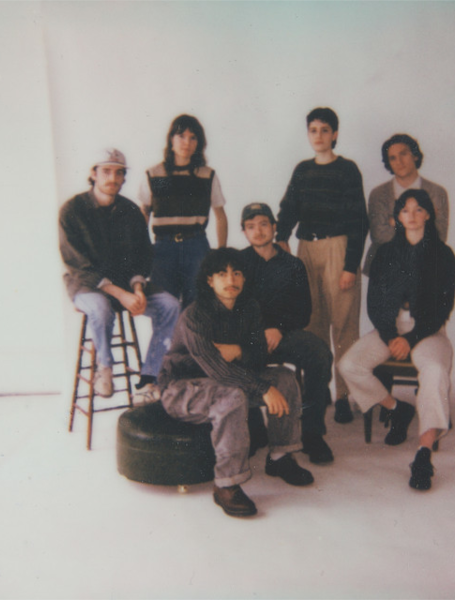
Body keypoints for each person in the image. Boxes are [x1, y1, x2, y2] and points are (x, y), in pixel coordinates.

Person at [157, 248, 314, 518]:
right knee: (232, 396)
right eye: (222, 274)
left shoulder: (249, 308)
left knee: (285, 378)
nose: (231, 279)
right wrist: (263, 388)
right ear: (210, 280)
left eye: (237, 273)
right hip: (182, 388)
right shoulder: (195, 315)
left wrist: (239, 351)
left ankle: (280, 457)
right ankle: (226, 484)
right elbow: (217, 369)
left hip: (229, 380)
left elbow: (260, 355)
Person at [339, 189, 455, 491]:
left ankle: (423, 453)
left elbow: (442, 308)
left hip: (428, 331)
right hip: (390, 328)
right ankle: (397, 408)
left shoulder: (443, 255)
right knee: (349, 364)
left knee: (434, 370)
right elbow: (375, 303)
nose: (412, 216)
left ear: (428, 214)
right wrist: (392, 336)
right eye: (406, 210)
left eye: (419, 210)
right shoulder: (384, 253)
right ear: (397, 218)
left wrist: (412, 338)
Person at [59, 148, 180, 403]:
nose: (112, 178)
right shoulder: (72, 209)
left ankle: (150, 377)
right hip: (86, 285)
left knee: (170, 305)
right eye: (106, 171)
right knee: (101, 308)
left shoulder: (131, 211)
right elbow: (78, 264)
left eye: (119, 173)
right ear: (93, 173)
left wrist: (137, 289)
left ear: (124, 177)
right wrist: (121, 294)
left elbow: (142, 256)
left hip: (126, 284)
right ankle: (104, 368)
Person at [275, 107, 369, 426]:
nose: (318, 136)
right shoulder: (302, 170)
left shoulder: (347, 170)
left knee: (343, 326)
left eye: (325, 130)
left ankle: (344, 395)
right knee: (311, 324)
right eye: (313, 130)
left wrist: (349, 266)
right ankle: (318, 392)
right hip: (307, 250)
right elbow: (288, 207)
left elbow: (359, 220)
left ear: (335, 134)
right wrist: (281, 237)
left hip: (338, 248)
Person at [240, 202, 334, 464]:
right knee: (234, 356)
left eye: (263, 224)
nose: (258, 231)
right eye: (251, 226)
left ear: (274, 227)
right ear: (244, 232)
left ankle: (312, 432)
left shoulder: (293, 265)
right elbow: (233, 308)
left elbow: (304, 311)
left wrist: (279, 329)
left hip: (284, 335)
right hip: (250, 337)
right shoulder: (237, 263)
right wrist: (259, 331)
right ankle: (254, 429)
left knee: (319, 353)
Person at [138, 114, 228, 308]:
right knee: (165, 305)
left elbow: (220, 216)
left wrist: (221, 253)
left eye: (193, 137)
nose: (187, 142)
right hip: (163, 249)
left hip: (196, 247)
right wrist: (141, 248)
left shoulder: (206, 176)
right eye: (181, 136)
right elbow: (143, 214)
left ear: (199, 143)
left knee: (197, 304)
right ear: (171, 139)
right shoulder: (156, 175)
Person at [362, 133, 449, 276]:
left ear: (415, 155)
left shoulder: (436, 192)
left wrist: (394, 222)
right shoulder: (378, 194)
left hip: (424, 266)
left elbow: (439, 235)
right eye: (393, 158)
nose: (399, 161)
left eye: (403, 154)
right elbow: (378, 235)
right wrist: (417, 226)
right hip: (385, 266)